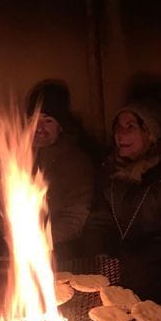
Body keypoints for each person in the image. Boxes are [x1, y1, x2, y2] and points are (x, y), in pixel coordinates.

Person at [82, 98, 161, 303]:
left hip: (153, 265)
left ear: (151, 134)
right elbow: (99, 219)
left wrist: (135, 260)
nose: (120, 134)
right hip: (114, 262)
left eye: (131, 127)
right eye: (117, 127)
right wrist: (99, 251)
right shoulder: (109, 170)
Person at [25, 79, 96, 256]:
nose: (39, 128)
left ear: (60, 126)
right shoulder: (15, 158)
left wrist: (39, 239)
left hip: (61, 250)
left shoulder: (76, 163)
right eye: (34, 120)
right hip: (19, 247)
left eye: (48, 121)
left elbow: (75, 216)